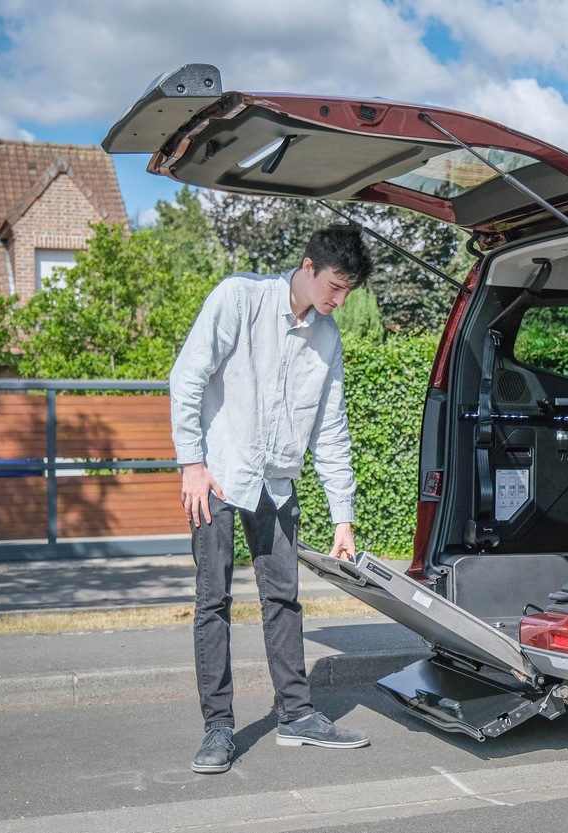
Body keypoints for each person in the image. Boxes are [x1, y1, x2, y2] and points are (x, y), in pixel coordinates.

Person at [170, 224, 373, 774]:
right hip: (215, 474)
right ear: (308, 268)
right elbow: (187, 377)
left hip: (276, 483)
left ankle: (296, 715)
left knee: (283, 600)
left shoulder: (327, 339)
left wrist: (343, 518)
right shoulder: (239, 300)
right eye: (334, 286)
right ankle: (218, 728)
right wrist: (191, 461)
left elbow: (331, 431)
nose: (339, 300)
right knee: (213, 601)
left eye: (347, 291)